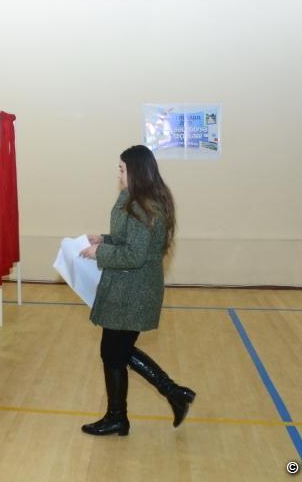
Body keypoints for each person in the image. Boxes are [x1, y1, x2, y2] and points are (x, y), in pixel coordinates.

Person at [78, 145, 195, 436]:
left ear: (136, 171)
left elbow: (135, 255)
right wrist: (103, 239)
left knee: (114, 351)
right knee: (117, 351)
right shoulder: (133, 199)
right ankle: (170, 395)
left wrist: (98, 254)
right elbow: (126, 239)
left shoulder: (144, 206)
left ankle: (124, 415)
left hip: (134, 292)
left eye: (122, 168)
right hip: (126, 288)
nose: (118, 173)